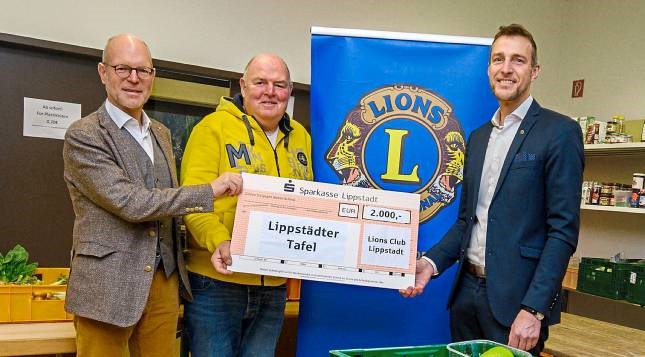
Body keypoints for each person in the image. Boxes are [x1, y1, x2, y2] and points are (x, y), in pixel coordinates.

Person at [400, 24, 584, 356]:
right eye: (498, 59)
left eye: (518, 60)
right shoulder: (479, 137)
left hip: (517, 306)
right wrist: (429, 263)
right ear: (489, 69)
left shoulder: (559, 133)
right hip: (466, 296)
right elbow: (466, 221)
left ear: (534, 71)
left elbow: (563, 232)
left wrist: (534, 309)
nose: (506, 69)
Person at [62, 34, 242, 357]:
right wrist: (209, 191)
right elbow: (131, 203)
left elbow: (167, 207)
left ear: (153, 77)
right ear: (103, 73)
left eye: (143, 71)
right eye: (123, 69)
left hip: (163, 282)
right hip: (107, 288)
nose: (134, 78)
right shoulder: (84, 135)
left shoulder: (160, 132)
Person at [180, 53, 313, 357]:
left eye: (279, 85)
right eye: (260, 82)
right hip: (217, 284)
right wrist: (219, 240)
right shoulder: (211, 128)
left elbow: (308, 205)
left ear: (289, 91)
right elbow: (192, 199)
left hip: (274, 287)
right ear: (243, 85)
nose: (270, 91)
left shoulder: (301, 138)